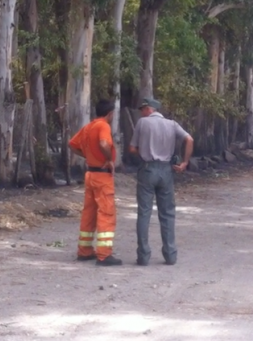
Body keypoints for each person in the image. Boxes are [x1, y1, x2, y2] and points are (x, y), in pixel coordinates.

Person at [129, 97, 193, 266]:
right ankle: (170, 255)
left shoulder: (142, 123)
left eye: (143, 109)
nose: (142, 112)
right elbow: (189, 139)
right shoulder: (172, 124)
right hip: (167, 170)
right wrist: (185, 162)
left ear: (149, 109)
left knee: (144, 213)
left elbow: (132, 148)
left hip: (148, 169)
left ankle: (143, 256)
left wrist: (144, 150)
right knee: (167, 214)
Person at [68, 99, 122, 266]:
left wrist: (88, 156)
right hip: (102, 176)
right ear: (110, 114)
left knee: (89, 213)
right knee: (106, 213)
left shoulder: (89, 127)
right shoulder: (103, 126)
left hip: (90, 174)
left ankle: (84, 251)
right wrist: (108, 159)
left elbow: (72, 144)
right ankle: (104, 255)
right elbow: (104, 143)